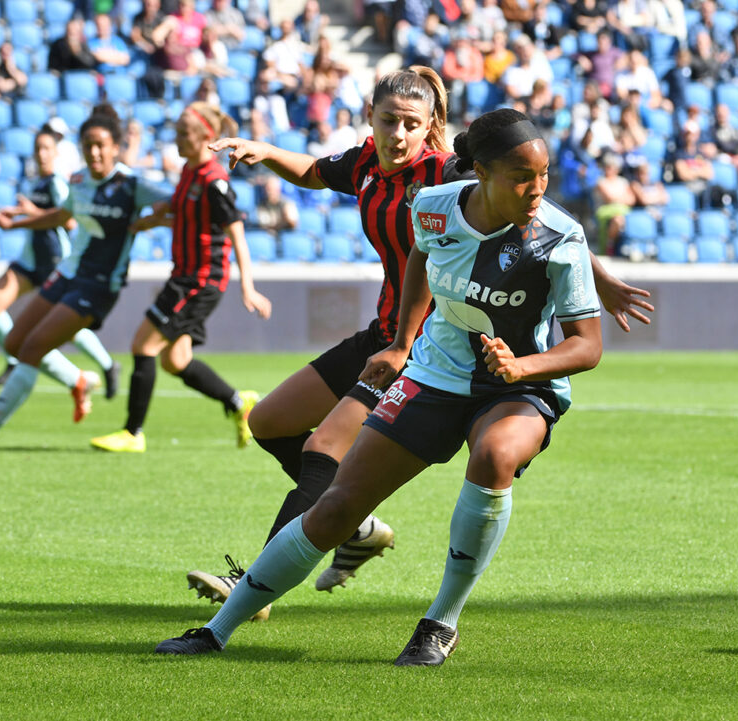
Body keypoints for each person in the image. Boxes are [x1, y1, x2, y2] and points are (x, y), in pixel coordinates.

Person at [183, 68, 653, 616]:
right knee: (268, 422)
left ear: (431, 126)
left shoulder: (447, 174)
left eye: (411, 123)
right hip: (385, 334)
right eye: (389, 121)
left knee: (322, 448)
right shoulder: (363, 164)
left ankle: (254, 588)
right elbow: (314, 171)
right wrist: (264, 149)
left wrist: (600, 277)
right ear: (370, 119)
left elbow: (538, 211)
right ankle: (354, 527)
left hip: (424, 343)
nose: (398, 135)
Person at [0, 105, 168, 448]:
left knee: (32, 348)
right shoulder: (79, 181)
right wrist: (16, 223)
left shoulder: (132, 185)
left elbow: (180, 204)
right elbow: (62, 215)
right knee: (13, 343)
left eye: (101, 145)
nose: (95, 152)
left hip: (98, 287)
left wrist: (153, 221)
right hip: (68, 272)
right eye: (88, 145)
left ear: (115, 147)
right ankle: (79, 380)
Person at [90, 103, 272, 455]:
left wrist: (248, 286)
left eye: (185, 132)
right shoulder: (189, 172)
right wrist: (152, 221)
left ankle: (133, 433)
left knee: (143, 345)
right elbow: (188, 219)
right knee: (175, 361)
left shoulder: (213, 181)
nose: (177, 137)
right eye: (176, 130)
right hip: (185, 277)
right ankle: (239, 403)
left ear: (207, 138)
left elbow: (236, 233)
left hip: (199, 281)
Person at [0, 128, 121, 392]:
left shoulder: (58, 183)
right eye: (38, 149)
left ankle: (105, 364)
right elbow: (37, 214)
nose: (42, 154)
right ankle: (13, 360)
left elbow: (69, 221)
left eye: (47, 149)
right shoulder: (37, 183)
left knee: (69, 327)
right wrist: (17, 214)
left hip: (55, 261)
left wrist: (30, 212)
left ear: (56, 153)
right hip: (30, 261)